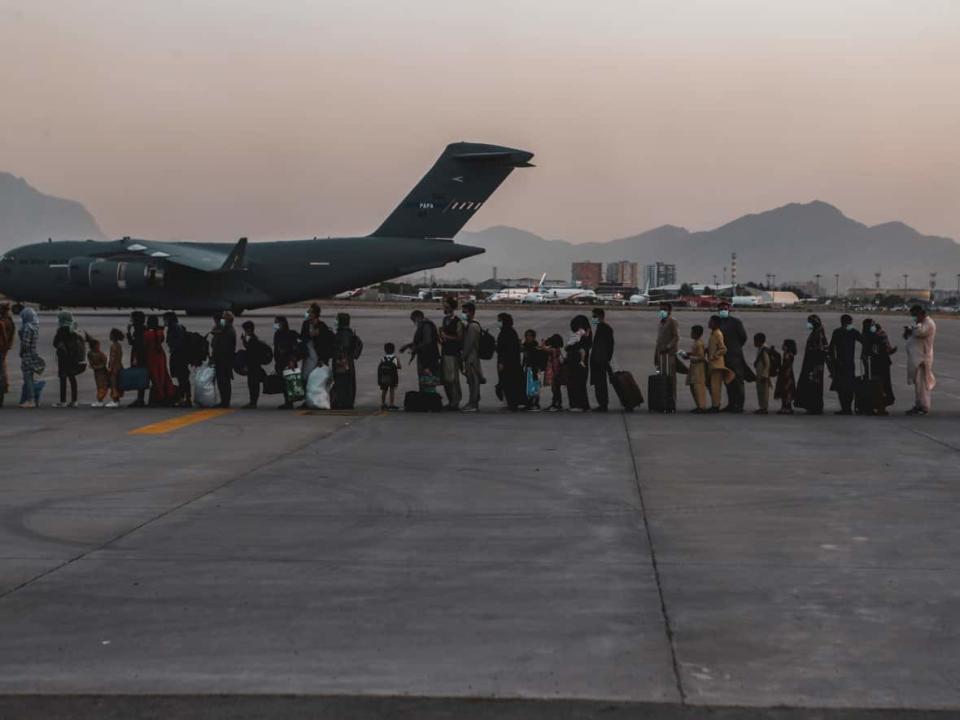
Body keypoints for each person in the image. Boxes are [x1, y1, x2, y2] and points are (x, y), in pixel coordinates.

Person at [716, 301, 748, 412]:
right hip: (723, 357)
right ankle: (731, 403)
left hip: (735, 356)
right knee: (728, 381)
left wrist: (735, 347)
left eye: (725, 308)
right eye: (721, 309)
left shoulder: (736, 322)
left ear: (729, 309)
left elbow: (743, 337)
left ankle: (739, 405)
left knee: (738, 381)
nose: (723, 311)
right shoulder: (718, 323)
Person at [904, 304, 936, 415]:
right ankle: (919, 404)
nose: (914, 318)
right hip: (918, 358)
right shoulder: (921, 323)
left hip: (923, 358)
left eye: (915, 315)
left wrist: (913, 328)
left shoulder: (928, 323)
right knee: (918, 383)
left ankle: (924, 406)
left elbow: (920, 332)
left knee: (923, 384)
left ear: (921, 314)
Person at [827, 314, 862, 415]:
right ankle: (847, 407)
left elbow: (831, 348)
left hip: (840, 363)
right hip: (848, 363)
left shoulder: (837, 332)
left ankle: (845, 408)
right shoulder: (852, 332)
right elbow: (864, 340)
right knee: (847, 386)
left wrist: (832, 361)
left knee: (842, 387)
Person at [861, 318, 896, 415]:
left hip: (879, 364)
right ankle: (879, 407)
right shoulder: (874, 336)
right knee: (879, 386)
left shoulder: (871, 336)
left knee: (881, 385)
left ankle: (879, 406)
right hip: (876, 365)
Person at [795, 315, 829, 415]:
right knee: (811, 385)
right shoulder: (816, 333)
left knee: (814, 385)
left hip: (814, 366)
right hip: (811, 364)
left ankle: (815, 406)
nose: (808, 324)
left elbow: (822, 350)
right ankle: (812, 406)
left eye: (809, 322)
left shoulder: (818, 335)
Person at [401, 309, 441, 391]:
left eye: (413, 320)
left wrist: (416, 348)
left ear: (418, 317)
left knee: (428, 382)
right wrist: (408, 346)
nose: (414, 323)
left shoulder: (426, 325)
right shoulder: (423, 325)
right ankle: (425, 399)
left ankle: (429, 400)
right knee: (424, 382)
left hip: (428, 359)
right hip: (425, 357)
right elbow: (421, 341)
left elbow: (427, 341)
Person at [330, 312, 363, 410]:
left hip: (342, 362)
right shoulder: (350, 333)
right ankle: (347, 402)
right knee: (349, 382)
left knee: (341, 382)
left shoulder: (341, 334)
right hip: (349, 361)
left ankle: (341, 401)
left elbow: (341, 347)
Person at [495, 312, 525, 411]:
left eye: (499, 320)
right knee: (511, 382)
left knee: (508, 382)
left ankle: (512, 403)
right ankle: (513, 403)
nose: (498, 322)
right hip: (513, 362)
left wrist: (501, 362)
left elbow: (504, 350)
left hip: (507, 362)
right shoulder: (511, 331)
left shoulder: (505, 333)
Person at [52, 311, 83, 408]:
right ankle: (74, 400)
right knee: (72, 378)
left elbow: (55, 343)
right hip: (73, 358)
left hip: (63, 358)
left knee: (63, 379)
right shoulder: (74, 329)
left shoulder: (61, 330)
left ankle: (63, 401)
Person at [144, 315, 177, 406]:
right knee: (163, 375)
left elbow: (145, 343)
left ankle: (160, 396)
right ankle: (168, 394)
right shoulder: (159, 332)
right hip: (160, 356)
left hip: (152, 357)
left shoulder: (147, 334)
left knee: (156, 377)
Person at [299, 303, 334, 386]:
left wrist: (323, 359)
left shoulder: (322, 326)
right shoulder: (306, 324)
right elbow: (302, 338)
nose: (308, 314)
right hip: (308, 357)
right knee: (306, 378)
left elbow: (325, 344)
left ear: (315, 314)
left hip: (318, 358)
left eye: (310, 312)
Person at [438, 296, 464, 410]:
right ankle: (451, 400)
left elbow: (459, 337)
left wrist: (446, 336)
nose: (444, 307)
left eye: (446, 305)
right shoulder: (445, 320)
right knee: (446, 378)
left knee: (453, 378)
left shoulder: (457, 321)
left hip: (453, 353)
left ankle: (455, 401)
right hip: (445, 351)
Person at [706, 315, 734, 413]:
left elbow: (723, 349)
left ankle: (716, 406)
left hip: (717, 365)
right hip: (712, 364)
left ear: (716, 324)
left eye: (711, 321)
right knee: (712, 386)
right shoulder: (713, 334)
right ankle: (715, 404)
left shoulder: (718, 334)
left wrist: (714, 355)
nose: (709, 323)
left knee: (715, 386)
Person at [18, 307, 45, 408]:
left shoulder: (28, 327)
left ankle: (31, 400)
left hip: (27, 355)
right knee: (30, 377)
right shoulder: (35, 326)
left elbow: (25, 343)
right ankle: (34, 399)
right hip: (33, 353)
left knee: (27, 377)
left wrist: (21, 352)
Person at [241, 320, 271, 409]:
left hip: (253, 366)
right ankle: (253, 402)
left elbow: (251, 354)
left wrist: (247, 366)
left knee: (253, 384)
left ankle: (253, 402)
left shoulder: (253, 341)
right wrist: (244, 342)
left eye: (245, 330)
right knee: (253, 384)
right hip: (256, 366)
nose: (245, 332)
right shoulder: (253, 339)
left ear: (249, 330)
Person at [272, 316, 300, 410]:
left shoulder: (290, 334)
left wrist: (292, 360)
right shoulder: (277, 334)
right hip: (280, 361)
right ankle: (287, 401)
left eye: (277, 322)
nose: (275, 324)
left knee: (289, 382)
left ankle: (289, 402)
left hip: (288, 361)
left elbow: (294, 349)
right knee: (284, 383)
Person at [565, 315, 592, 412]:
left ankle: (577, 404)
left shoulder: (579, 335)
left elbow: (570, 347)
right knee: (581, 384)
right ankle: (583, 405)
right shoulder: (587, 334)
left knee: (574, 383)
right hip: (582, 362)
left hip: (575, 362)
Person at [210, 311, 237, 408]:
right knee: (222, 381)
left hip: (224, 359)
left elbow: (222, 346)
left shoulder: (228, 331)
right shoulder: (224, 330)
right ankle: (224, 401)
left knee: (224, 381)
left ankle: (225, 402)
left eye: (223, 319)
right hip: (221, 359)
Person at [164, 312, 191, 407]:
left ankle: (185, 398)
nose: (164, 321)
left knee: (182, 377)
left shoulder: (175, 328)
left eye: (166, 319)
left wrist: (175, 351)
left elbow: (177, 342)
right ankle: (185, 397)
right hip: (180, 355)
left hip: (179, 355)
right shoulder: (176, 327)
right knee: (182, 377)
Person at [653, 302, 679, 400]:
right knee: (662, 377)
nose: (662, 311)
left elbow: (676, 337)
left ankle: (671, 399)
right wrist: (656, 354)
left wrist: (668, 347)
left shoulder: (672, 321)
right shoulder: (661, 322)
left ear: (669, 311)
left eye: (664, 309)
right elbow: (659, 340)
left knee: (670, 378)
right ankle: (663, 399)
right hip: (661, 355)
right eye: (660, 309)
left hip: (669, 355)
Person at [590, 308, 614, 412]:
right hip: (598, 359)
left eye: (595, 316)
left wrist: (605, 358)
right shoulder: (601, 327)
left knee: (600, 383)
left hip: (600, 360)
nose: (593, 318)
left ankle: (603, 404)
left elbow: (609, 345)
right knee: (598, 382)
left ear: (601, 316)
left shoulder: (605, 328)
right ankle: (602, 403)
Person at [460, 303, 483, 412]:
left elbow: (469, 344)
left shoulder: (473, 326)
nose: (463, 314)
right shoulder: (470, 325)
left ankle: (473, 403)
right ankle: (472, 402)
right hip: (472, 357)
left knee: (473, 381)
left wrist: (463, 357)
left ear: (472, 312)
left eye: (465, 312)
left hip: (471, 358)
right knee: (472, 381)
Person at [679, 324, 707, 413]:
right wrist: (688, 354)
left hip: (698, 368)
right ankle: (698, 405)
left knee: (697, 387)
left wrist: (689, 358)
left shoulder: (699, 343)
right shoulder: (696, 342)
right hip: (694, 367)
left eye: (692, 332)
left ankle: (701, 406)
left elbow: (701, 357)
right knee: (693, 386)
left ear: (696, 334)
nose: (690, 334)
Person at [126, 311, 148, 407]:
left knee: (140, 375)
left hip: (139, 355)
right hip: (141, 355)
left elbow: (135, 344)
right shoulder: (142, 329)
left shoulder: (138, 330)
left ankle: (140, 399)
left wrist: (128, 332)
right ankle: (141, 398)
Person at [774, 339, 798, 415]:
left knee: (786, 391)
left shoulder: (788, 354)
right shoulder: (788, 353)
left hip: (786, 375)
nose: (782, 346)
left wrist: (780, 369)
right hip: (787, 374)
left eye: (784, 345)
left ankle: (787, 408)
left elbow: (787, 364)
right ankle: (785, 407)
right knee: (785, 391)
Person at [86, 335, 110, 407]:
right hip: (98, 372)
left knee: (102, 386)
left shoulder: (100, 354)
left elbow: (105, 362)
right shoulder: (92, 353)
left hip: (102, 372)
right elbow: (91, 362)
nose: (99, 347)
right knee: (100, 386)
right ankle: (100, 400)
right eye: (97, 346)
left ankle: (100, 400)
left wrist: (96, 367)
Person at [543, 333, 565, 412]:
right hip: (557, 369)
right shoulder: (558, 349)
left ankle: (556, 403)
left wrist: (543, 343)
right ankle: (556, 403)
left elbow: (544, 349)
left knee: (555, 388)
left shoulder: (553, 349)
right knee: (556, 388)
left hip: (554, 370)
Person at [522, 329, 543, 411]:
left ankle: (535, 403)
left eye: (530, 336)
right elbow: (525, 358)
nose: (528, 337)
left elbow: (537, 359)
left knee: (534, 386)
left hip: (534, 368)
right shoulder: (526, 345)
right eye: (527, 335)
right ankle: (529, 403)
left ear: (533, 337)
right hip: (528, 368)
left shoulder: (535, 346)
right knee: (528, 386)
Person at [753, 332, 772, 415]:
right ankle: (761, 407)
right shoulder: (760, 348)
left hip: (763, 375)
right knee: (760, 391)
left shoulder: (764, 350)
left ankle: (764, 408)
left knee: (764, 392)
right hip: (759, 374)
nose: (754, 343)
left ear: (759, 341)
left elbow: (767, 363)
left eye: (755, 341)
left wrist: (765, 375)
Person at [378, 342, 401, 410]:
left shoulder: (383, 358)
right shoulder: (395, 358)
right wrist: (398, 361)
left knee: (384, 390)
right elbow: (399, 367)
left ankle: (383, 403)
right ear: (393, 350)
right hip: (392, 377)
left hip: (384, 377)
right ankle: (391, 403)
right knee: (392, 390)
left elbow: (380, 366)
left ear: (385, 350)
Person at [0, 303, 14, 408]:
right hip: (4, 348)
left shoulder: (3, 322)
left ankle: (3, 388)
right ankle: (4, 387)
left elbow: (4, 337)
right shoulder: (9, 320)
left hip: (1, 348)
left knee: (2, 371)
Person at [106, 328, 125, 408]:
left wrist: (110, 367)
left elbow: (112, 357)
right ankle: (116, 399)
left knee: (113, 384)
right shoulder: (119, 345)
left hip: (114, 367)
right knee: (117, 383)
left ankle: (115, 400)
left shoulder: (113, 346)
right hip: (119, 365)